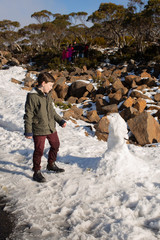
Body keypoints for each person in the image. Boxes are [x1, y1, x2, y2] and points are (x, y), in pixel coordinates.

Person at [24, 72, 67, 183]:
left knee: (56, 144)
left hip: (50, 127)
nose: (51, 88)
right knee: (39, 150)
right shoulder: (32, 96)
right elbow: (28, 114)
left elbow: (51, 111)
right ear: (43, 83)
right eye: (50, 85)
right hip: (39, 128)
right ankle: (36, 171)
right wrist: (28, 131)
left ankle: (51, 164)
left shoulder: (47, 94)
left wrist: (60, 120)